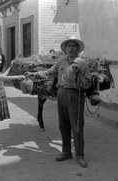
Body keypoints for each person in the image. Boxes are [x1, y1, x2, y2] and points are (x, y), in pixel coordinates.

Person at [25, 36, 92, 168]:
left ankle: (80, 155)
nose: (71, 48)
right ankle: (66, 152)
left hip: (75, 95)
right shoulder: (61, 62)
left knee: (77, 126)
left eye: (74, 46)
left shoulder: (82, 64)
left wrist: (78, 75)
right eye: (69, 46)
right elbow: (49, 72)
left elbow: (88, 84)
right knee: (63, 125)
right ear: (65, 49)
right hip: (61, 94)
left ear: (78, 49)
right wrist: (34, 75)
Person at [0, 51, 25, 151]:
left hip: (0, 97)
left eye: (1, 60)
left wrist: (11, 66)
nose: (0, 62)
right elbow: (2, 78)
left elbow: (3, 75)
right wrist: (18, 76)